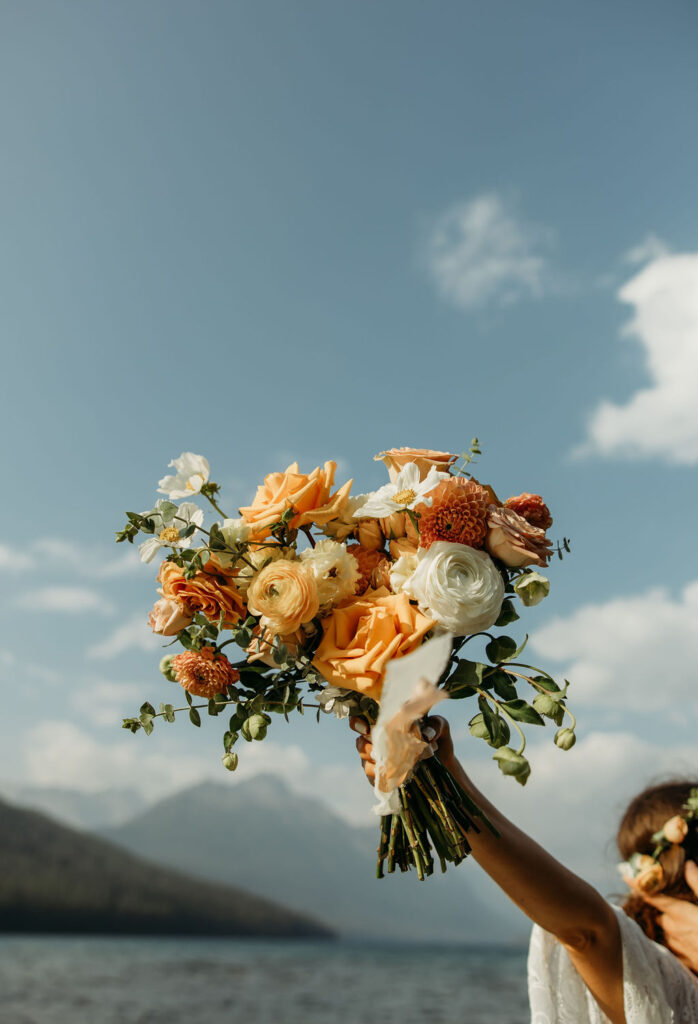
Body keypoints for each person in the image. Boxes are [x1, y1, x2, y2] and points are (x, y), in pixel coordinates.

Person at [350, 715, 698, 1024]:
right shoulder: (653, 975)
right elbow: (587, 931)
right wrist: (443, 777)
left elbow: (589, 932)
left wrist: (445, 774)